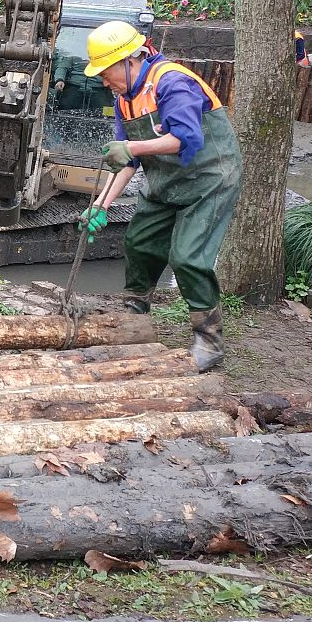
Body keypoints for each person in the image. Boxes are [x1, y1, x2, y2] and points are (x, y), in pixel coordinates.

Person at [77, 20, 242, 372]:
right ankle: (135, 315)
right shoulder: (125, 100)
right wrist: (100, 204)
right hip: (165, 181)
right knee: (139, 242)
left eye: (106, 73)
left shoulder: (172, 82)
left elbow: (185, 138)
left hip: (208, 180)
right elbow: (128, 159)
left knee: (188, 258)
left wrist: (131, 146)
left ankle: (209, 340)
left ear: (128, 60)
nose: (104, 82)